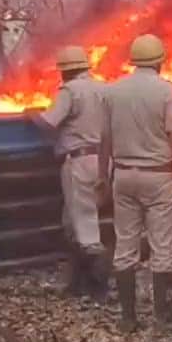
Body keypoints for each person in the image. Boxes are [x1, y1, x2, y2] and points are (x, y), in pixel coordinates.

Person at [102, 34, 172, 333]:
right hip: (157, 177)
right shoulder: (166, 91)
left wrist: (103, 178)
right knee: (162, 248)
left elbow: (105, 140)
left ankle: (128, 319)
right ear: (159, 61)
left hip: (123, 175)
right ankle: (163, 319)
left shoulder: (113, 92)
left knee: (125, 247)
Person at [33, 46, 111, 302]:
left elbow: (48, 123)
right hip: (103, 160)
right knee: (72, 222)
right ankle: (76, 283)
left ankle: (98, 289)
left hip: (78, 161)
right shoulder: (104, 89)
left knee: (85, 225)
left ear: (65, 71)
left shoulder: (70, 91)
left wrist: (31, 115)